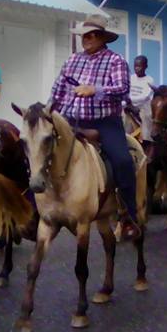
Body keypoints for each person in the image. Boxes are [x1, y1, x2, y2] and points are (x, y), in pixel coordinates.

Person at [49, 15, 140, 240]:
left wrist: (95, 90)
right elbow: (58, 90)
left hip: (104, 122)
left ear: (101, 37)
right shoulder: (72, 61)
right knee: (40, 150)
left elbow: (122, 89)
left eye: (91, 35)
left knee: (122, 160)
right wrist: (48, 112)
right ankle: (37, 207)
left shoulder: (115, 61)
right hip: (71, 119)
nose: (86, 39)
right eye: (84, 36)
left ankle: (128, 216)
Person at [128, 55, 155, 143]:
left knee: (147, 116)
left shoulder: (149, 80)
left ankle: (147, 140)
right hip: (129, 105)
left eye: (139, 66)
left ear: (145, 66)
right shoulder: (131, 78)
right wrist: (129, 104)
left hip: (143, 106)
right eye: (135, 66)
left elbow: (145, 97)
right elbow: (125, 92)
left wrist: (131, 102)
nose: (137, 69)